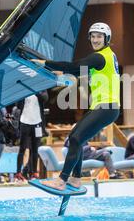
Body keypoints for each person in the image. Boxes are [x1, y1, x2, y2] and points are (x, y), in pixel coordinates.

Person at [36, 22, 121, 190]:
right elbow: (79, 71)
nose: (95, 40)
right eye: (93, 36)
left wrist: (45, 63)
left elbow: (74, 66)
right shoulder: (107, 56)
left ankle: (61, 180)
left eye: (100, 37)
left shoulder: (99, 57)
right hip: (104, 107)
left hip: (107, 107)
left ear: (107, 39)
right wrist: (59, 72)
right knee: (76, 137)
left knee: (75, 139)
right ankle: (75, 179)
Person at [15, 91, 47, 181]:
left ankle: (34, 173)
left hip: (37, 123)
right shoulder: (24, 89)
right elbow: (17, 105)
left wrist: (36, 91)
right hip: (25, 122)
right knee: (22, 148)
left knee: (35, 149)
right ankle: (18, 173)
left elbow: (45, 99)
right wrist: (24, 93)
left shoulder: (41, 88)